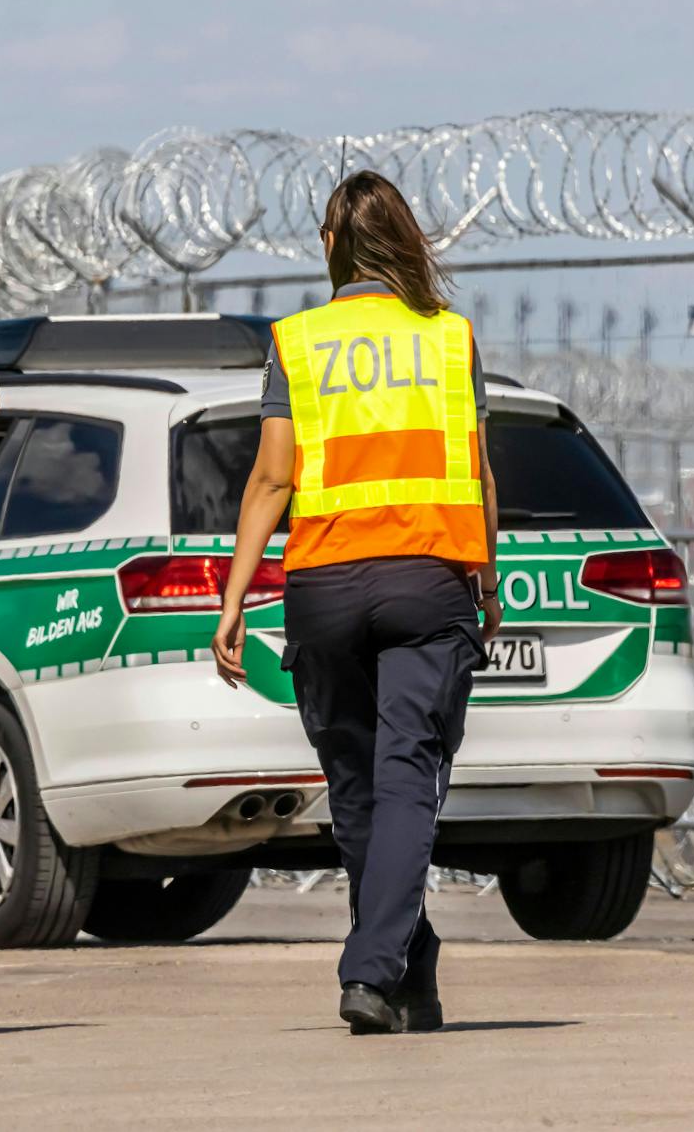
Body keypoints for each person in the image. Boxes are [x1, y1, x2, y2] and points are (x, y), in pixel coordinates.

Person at [212, 171, 503, 1035]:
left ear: (334, 246)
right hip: (429, 577)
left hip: (327, 585)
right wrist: (489, 576)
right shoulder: (450, 340)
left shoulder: (298, 341)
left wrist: (233, 601)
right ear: (407, 243)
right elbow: (482, 473)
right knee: (408, 773)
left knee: (356, 787)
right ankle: (394, 964)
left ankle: (380, 967)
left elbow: (271, 477)